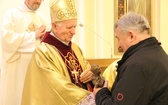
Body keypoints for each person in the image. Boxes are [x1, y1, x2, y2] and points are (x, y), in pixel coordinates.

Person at [21, 0, 95, 105]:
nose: (73, 31)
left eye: (74, 27)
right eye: (69, 27)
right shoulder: (43, 53)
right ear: (55, 26)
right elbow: (57, 87)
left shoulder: (75, 49)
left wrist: (91, 75)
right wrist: (88, 98)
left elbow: (86, 68)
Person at [93, 12, 168, 105]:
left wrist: (100, 94)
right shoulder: (160, 53)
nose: (119, 45)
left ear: (131, 36)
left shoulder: (136, 64)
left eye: (118, 39)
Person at [0, 0, 49, 105]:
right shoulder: (12, 14)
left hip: (36, 70)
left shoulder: (41, 20)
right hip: (16, 70)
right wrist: (33, 36)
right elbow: (7, 39)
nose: (38, 1)